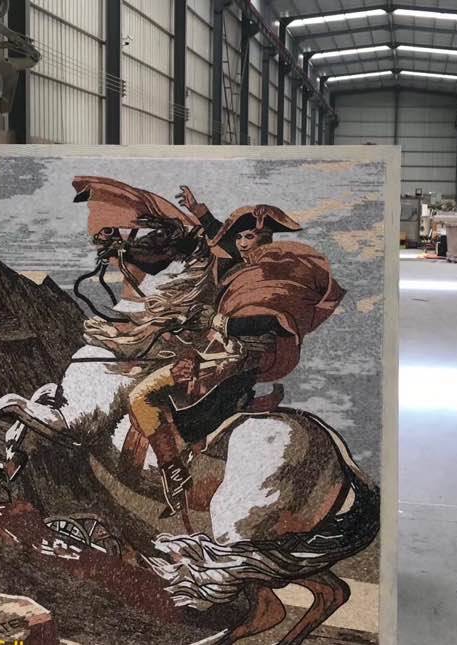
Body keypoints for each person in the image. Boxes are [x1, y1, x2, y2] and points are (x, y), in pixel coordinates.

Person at [127, 193, 346, 516]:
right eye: (239, 237)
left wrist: (220, 322)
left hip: (237, 361)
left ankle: (174, 474)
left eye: (249, 236)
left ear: (265, 237)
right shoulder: (244, 268)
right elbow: (222, 239)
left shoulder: (277, 273)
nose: (242, 243)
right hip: (215, 351)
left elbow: (275, 322)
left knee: (140, 397)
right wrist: (199, 211)